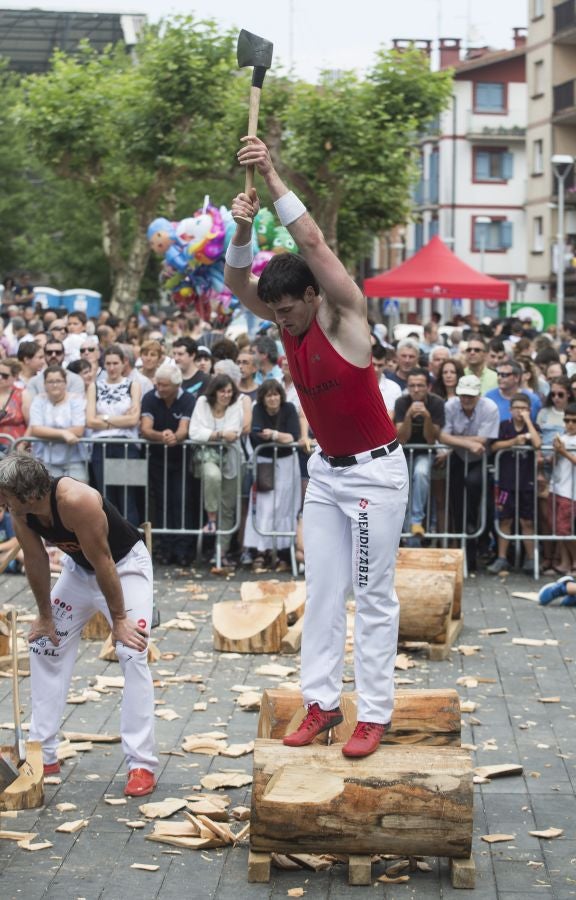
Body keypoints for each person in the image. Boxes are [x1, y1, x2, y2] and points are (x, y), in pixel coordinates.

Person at [224, 136, 408, 758]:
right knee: (323, 593)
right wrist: (242, 230)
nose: (279, 321)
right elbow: (234, 280)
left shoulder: (342, 316)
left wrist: (270, 176)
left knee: (372, 598)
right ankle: (322, 704)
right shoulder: (283, 318)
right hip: (326, 473)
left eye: (288, 310)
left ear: (312, 297)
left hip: (373, 481)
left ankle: (375, 713)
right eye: (271, 313)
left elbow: (314, 245)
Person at [0, 453, 157, 796]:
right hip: (77, 572)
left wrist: (118, 620)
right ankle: (44, 752)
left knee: (131, 652)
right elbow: (37, 560)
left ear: (26, 494)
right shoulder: (20, 510)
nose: (1, 500)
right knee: (44, 644)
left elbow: (104, 562)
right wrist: (44, 616)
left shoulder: (77, 500)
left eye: (5, 494)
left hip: (123, 568)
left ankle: (141, 763)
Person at [140, 364, 195, 566]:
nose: (160, 389)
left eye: (165, 385)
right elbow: (145, 428)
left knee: (181, 501)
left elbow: (184, 429)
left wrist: (175, 437)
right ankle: (164, 547)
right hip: (157, 459)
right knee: (161, 502)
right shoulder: (149, 398)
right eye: (158, 384)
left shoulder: (188, 399)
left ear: (176, 385)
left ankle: (183, 548)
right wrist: (161, 436)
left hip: (181, 458)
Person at [242, 379, 301, 571]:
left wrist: (274, 435)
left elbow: (292, 436)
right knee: (265, 506)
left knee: (284, 506)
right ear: (263, 398)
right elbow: (256, 432)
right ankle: (261, 550)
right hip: (264, 462)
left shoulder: (289, 408)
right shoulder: (257, 408)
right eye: (269, 395)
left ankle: (282, 550)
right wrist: (278, 436)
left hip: (286, 463)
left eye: (276, 394)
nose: (273, 398)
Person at [188, 373, 243, 567]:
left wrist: (210, 435)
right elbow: (194, 432)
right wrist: (219, 434)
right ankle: (211, 517)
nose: (226, 395)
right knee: (212, 475)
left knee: (228, 507)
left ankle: (221, 551)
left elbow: (234, 432)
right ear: (215, 392)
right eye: (222, 391)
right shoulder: (203, 402)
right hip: (206, 456)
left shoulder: (236, 405)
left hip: (231, 458)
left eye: (229, 391)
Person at [86, 345, 142, 526]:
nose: (111, 367)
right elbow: (90, 421)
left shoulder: (133, 385)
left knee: (128, 497)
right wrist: (119, 418)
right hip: (100, 445)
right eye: (108, 363)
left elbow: (133, 419)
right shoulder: (95, 386)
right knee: (106, 497)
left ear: (123, 363)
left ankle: (133, 545)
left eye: (115, 363)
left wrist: (105, 418)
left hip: (126, 444)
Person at [487, 393, 541, 576]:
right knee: (505, 519)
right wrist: (513, 442)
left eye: (524, 408)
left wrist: (529, 421)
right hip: (506, 483)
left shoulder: (533, 426)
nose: (520, 411)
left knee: (527, 521)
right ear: (510, 410)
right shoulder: (503, 426)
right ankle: (502, 558)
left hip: (527, 482)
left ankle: (531, 559)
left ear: (529, 410)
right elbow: (494, 447)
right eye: (516, 408)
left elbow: (537, 443)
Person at [394, 367, 445, 543]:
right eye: (412, 385)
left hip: (426, 453)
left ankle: (416, 521)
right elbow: (401, 438)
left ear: (428, 387)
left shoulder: (437, 403)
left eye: (420, 385)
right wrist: (408, 416)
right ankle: (408, 539)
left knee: (421, 473)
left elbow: (432, 439)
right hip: (404, 454)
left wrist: (427, 417)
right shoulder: (401, 402)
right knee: (405, 487)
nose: (416, 390)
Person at [29, 365, 88, 481]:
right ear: (44, 384)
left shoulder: (75, 399)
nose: (55, 385)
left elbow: (79, 429)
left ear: (65, 383)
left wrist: (49, 432)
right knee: (50, 495)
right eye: (50, 382)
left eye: (58, 381)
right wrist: (63, 434)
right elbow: (36, 429)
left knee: (79, 494)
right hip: (46, 459)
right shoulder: (39, 400)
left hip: (74, 459)